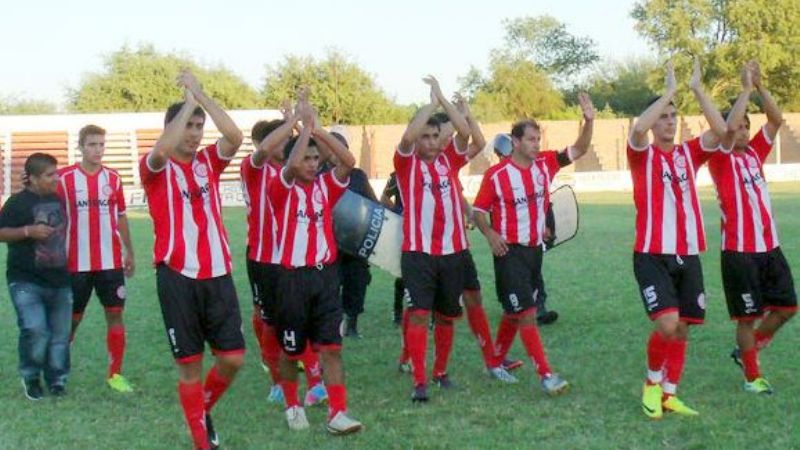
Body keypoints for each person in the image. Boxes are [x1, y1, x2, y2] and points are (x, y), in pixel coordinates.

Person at [140, 70, 245, 450]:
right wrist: (186, 105)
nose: (195, 132)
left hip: (218, 274)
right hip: (177, 276)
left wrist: (201, 96)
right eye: (188, 125)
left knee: (232, 359)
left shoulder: (208, 164)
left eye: (199, 125)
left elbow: (234, 137)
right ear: (172, 127)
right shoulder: (156, 168)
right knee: (189, 364)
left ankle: (199, 410)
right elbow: (160, 152)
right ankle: (202, 441)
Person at [473, 92, 595, 397]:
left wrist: (589, 121)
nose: (536, 144)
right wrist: (490, 235)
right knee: (526, 312)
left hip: (533, 252)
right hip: (508, 253)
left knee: (515, 310)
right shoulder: (496, 175)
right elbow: (477, 212)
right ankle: (546, 374)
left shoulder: (545, 164)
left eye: (538, 139)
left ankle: (495, 360)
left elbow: (579, 149)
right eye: (530, 139)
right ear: (515, 142)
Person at [629, 60, 725, 419]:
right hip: (652, 254)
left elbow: (724, 130)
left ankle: (670, 393)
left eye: (673, 115)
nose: (670, 121)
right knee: (667, 324)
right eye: (664, 116)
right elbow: (639, 128)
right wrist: (669, 90)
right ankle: (652, 384)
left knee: (683, 327)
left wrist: (698, 90)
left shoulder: (689, 152)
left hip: (688, 252)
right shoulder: (641, 153)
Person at [269, 94, 362, 434]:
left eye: (314, 159)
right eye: (305, 158)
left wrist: (317, 129)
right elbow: (291, 166)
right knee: (290, 350)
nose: (310, 164)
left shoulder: (326, 186)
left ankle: (338, 412)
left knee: (333, 349)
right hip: (293, 279)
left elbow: (348, 161)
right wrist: (302, 129)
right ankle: (293, 404)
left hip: (325, 278)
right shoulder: (282, 187)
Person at [708, 61, 796, 394]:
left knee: (787, 307)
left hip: (770, 246)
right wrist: (743, 90)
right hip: (739, 252)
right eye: (739, 126)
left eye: (747, 126)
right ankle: (752, 376)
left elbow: (776, 120)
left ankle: (748, 351)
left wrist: (759, 87)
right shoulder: (720, 157)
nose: (744, 131)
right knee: (747, 316)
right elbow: (727, 132)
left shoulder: (756, 153)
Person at [57, 125, 136, 393]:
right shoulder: (64, 179)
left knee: (115, 315)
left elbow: (122, 215)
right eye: (92, 144)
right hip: (75, 263)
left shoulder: (113, 178)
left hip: (110, 262)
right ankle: (58, 371)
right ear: (80, 147)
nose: (98, 150)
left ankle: (115, 374)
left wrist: (129, 251)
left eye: (101, 144)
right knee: (72, 320)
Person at [0, 153, 71, 400]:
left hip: (60, 279)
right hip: (25, 280)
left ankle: (57, 379)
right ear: (32, 179)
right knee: (35, 329)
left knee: (61, 334)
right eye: (50, 175)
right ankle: (31, 376)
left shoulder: (60, 199)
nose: (56, 179)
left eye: (56, 173)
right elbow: (1, 232)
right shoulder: (17, 203)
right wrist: (28, 230)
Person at [328, 126, 378, 338]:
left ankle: (352, 325)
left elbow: (373, 204)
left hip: (355, 243)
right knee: (330, 286)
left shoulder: (358, 176)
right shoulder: (319, 175)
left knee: (357, 284)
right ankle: (331, 324)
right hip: (329, 244)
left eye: (343, 148)